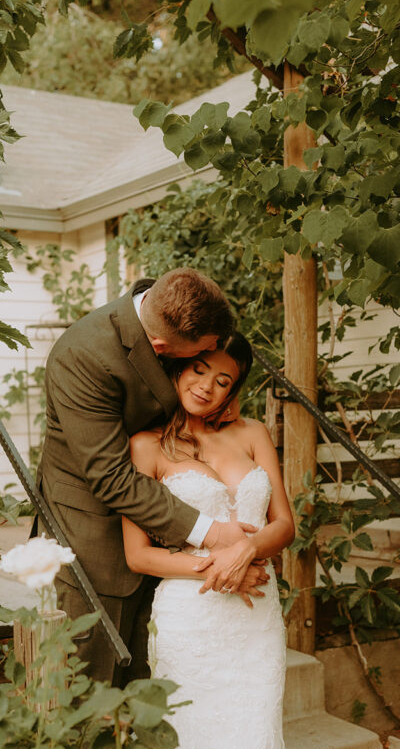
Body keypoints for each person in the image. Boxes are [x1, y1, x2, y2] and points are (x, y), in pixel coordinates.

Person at [122, 332, 354, 749]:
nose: (207, 386)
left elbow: (283, 525)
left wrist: (244, 555)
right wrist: (217, 562)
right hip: (190, 620)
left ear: (235, 388)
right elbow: (140, 557)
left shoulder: (252, 434)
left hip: (255, 624)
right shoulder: (146, 447)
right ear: (177, 369)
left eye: (223, 379)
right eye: (199, 370)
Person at [37, 268, 267, 686]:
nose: (213, 352)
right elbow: (111, 478)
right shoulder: (83, 357)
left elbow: (202, 378)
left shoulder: (171, 313)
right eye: (202, 353)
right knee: (93, 687)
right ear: (162, 347)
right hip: (97, 533)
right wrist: (217, 539)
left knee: (158, 685)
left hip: (171, 538)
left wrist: (225, 402)